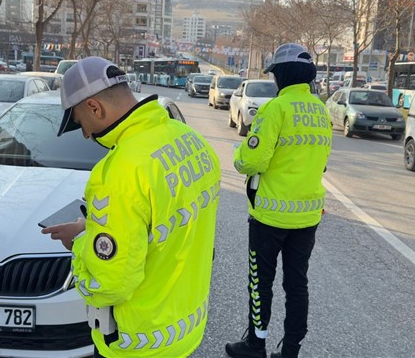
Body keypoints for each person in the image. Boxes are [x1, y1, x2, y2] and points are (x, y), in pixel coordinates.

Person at [41, 56, 221, 357]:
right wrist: (95, 225)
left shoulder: (118, 172)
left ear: (94, 108)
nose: (85, 134)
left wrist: (80, 243)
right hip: (184, 329)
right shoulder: (191, 141)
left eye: (79, 123)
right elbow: (164, 224)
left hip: (137, 342)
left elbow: (109, 283)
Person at [225, 43, 332, 358]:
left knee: (261, 283)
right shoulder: (320, 110)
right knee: (297, 284)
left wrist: (239, 154)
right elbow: (322, 161)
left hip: (270, 217)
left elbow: (251, 162)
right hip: (308, 216)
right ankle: (290, 350)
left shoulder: (275, 109)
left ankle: (256, 344)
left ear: (281, 75)